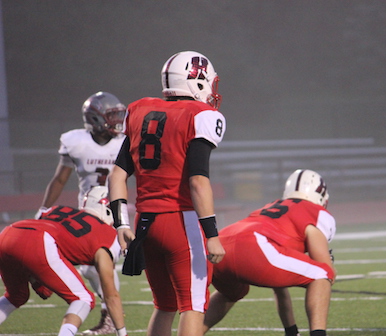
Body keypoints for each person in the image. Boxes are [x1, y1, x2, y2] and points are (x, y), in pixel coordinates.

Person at [108, 50, 226, 336]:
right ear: (197, 80)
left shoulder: (140, 110)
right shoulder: (201, 115)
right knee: (193, 305)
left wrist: (121, 223)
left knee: (165, 305)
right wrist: (211, 234)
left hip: (145, 223)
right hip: (181, 222)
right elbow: (198, 181)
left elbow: (118, 175)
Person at [203, 169, 336, 336]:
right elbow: (324, 268)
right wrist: (328, 267)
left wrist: (291, 331)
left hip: (221, 243)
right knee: (322, 273)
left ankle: (191, 332)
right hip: (254, 245)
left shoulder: (272, 205)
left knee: (231, 293)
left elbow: (279, 285)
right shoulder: (314, 211)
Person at [35, 91, 126, 335]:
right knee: (88, 267)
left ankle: (109, 317)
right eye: (111, 115)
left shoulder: (123, 142)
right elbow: (59, 180)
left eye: (118, 114)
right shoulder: (77, 142)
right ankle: (109, 315)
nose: (117, 120)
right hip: (87, 212)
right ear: (95, 119)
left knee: (97, 264)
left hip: (114, 211)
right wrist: (43, 210)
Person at [0, 186, 128, 336]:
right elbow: (111, 295)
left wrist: (36, 279)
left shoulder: (58, 209)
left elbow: (27, 242)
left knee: (16, 296)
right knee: (83, 298)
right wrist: (122, 333)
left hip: (8, 233)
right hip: (39, 241)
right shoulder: (107, 236)